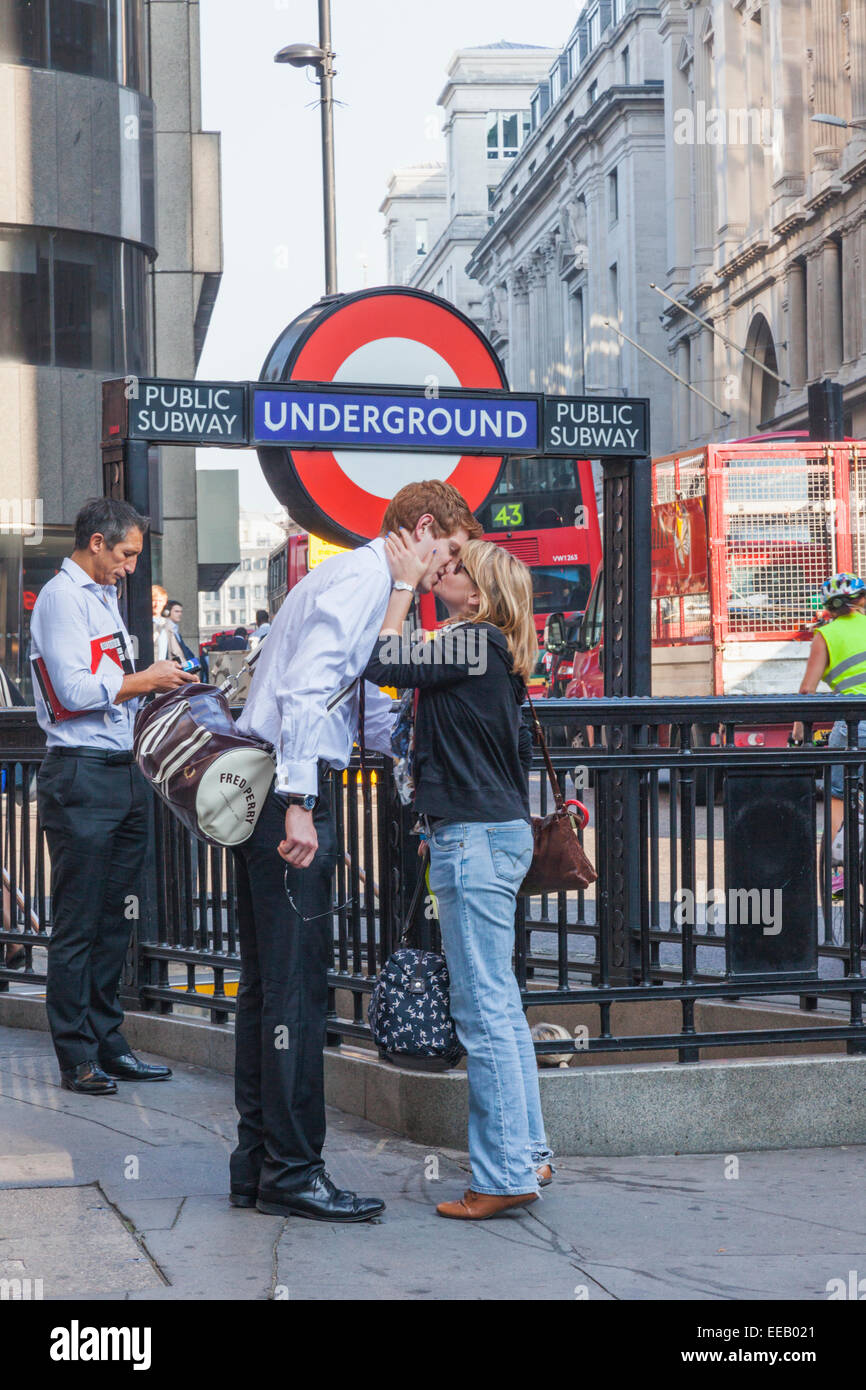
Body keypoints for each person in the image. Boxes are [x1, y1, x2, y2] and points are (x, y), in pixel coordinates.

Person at [230, 480, 480, 1223]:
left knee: (266, 988)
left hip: (270, 785)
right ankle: (294, 1173)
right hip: (289, 789)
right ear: (427, 526)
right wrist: (304, 803)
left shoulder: (357, 580)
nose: (448, 568)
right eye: (453, 549)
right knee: (298, 992)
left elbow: (356, 696)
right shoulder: (367, 580)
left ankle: (259, 1165)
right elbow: (308, 696)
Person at [364, 534, 554, 1220]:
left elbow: (383, 660)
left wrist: (402, 585)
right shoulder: (487, 649)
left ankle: (503, 1175)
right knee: (499, 1007)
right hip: (486, 835)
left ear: (477, 594)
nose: (439, 569)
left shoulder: (473, 642)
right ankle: (525, 1155)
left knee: (482, 1012)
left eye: (451, 569)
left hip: (473, 840)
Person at [30, 498, 197, 1095]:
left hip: (120, 771)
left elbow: (106, 687)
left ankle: (107, 1041)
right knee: (78, 922)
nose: (130, 567)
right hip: (79, 772)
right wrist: (145, 678)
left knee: (114, 918)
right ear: (96, 542)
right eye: (126, 554)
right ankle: (76, 1054)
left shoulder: (102, 598)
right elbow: (74, 690)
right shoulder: (61, 597)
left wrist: (157, 685)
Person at [792, 573, 866, 854]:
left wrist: (799, 730)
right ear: (861, 600)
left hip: (853, 725)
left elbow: (807, 690)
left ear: (830, 607)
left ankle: (838, 875)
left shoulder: (825, 635)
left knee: (839, 795)